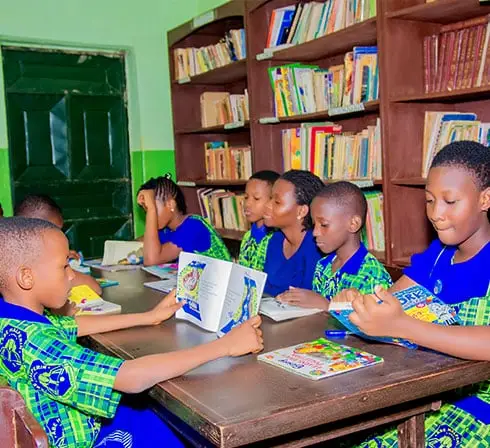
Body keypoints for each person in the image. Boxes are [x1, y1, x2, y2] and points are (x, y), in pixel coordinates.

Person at [0, 217, 263, 448]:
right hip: (83, 439)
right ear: (26, 277)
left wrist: (148, 317)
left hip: (70, 426)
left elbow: (74, 325)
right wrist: (225, 346)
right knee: (181, 426)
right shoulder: (37, 342)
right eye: (64, 267)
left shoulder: (14, 320)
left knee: (155, 413)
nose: (72, 276)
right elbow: (131, 377)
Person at [336, 141, 490, 447]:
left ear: (485, 199)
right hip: (427, 394)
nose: (436, 214)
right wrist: (360, 303)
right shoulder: (437, 254)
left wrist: (404, 326)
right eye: (430, 201)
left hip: (478, 410)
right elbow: (390, 298)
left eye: (450, 201)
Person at [278, 182, 392, 310]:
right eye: (314, 225)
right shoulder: (323, 265)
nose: (315, 232)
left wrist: (326, 306)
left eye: (324, 225)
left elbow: (373, 321)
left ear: (353, 224)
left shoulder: (372, 275)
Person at [14, 194, 102, 295]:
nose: (61, 236)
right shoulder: (38, 266)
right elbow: (95, 288)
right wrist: (59, 260)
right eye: (56, 232)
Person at [137, 175, 231, 265]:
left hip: (219, 276)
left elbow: (151, 260)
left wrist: (151, 209)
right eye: (147, 212)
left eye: (153, 209)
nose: (150, 216)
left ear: (170, 204)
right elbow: (143, 242)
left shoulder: (193, 227)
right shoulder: (167, 230)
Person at [262, 170, 324, 296]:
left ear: (301, 211)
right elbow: (266, 288)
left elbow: (309, 297)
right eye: (270, 198)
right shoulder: (275, 239)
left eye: (277, 202)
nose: (267, 205)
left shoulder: (316, 247)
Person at [238, 170, 280, 271]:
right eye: (246, 197)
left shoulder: (278, 239)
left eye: (256, 198)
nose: (247, 204)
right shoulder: (247, 237)